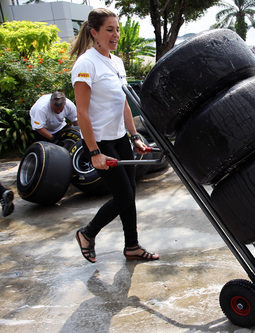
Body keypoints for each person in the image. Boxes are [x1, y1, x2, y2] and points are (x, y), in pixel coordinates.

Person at [70, 8, 159, 263]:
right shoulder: (86, 64)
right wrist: (95, 152)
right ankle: (87, 233)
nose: (116, 34)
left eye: (117, 29)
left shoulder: (116, 61)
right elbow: (82, 114)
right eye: (109, 29)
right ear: (94, 32)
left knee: (129, 194)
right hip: (99, 141)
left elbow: (124, 105)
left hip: (119, 137)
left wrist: (134, 137)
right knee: (123, 196)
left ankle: (132, 246)